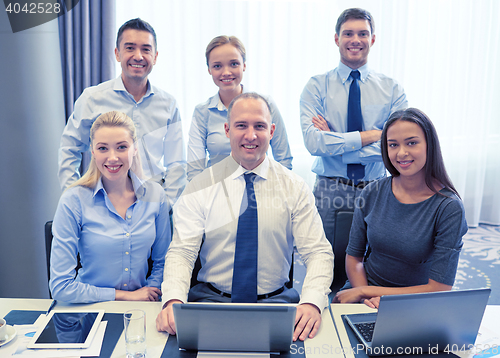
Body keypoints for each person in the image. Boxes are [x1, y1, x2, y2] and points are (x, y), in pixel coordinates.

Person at [156, 93, 333, 342]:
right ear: (227, 130)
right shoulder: (201, 186)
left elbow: (317, 253)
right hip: (211, 303)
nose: (251, 135)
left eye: (259, 126)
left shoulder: (294, 187)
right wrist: (173, 300)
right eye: (241, 126)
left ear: (271, 131)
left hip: (278, 307)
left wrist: (312, 303)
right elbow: (182, 252)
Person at [333, 108, 467, 308]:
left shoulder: (448, 207)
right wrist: (364, 297)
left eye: (411, 143)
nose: (401, 153)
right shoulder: (372, 192)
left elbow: (439, 287)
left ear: (429, 145)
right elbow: (354, 257)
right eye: (393, 145)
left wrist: (367, 292)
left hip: (414, 301)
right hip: (363, 289)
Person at [299, 8, 408, 245]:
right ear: (337, 39)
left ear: (373, 39)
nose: (355, 40)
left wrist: (336, 142)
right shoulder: (316, 86)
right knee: (325, 259)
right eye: (348, 33)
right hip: (330, 188)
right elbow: (314, 143)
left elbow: (398, 149)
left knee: (375, 262)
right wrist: (373, 135)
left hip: (377, 189)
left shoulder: (392, 89)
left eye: (363, 33)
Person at [58, 18, 185, 207]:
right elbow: (69, 149)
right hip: (102, 203)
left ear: (155, 56)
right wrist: (74, 199)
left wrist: (167, 205)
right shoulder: (92, 98)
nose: (138, 56)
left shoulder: (168, 104)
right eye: (130, 48)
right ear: (117, 54)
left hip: (151, 204)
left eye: (146, 49)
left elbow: (177, 163)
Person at [50, 111, 171, 303]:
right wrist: (124, 296)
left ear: (135, 149)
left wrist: (151, 291)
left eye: (121, 147)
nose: (112, 157)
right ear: (93, 152)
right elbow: (60, 287)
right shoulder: (73, 200)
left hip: (140, 309)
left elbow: (163, 261)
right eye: (103, 148)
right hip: (90, 308)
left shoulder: (156, 196)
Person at [187, 35, 292, 181]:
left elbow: (283, 159)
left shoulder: (266, 105)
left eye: (234, 64)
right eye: (217, 66)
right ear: (209, 69)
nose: (226, 72)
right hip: (217, 194)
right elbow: (195, 171)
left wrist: (279, 193)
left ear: (244, 65)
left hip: (262, 191)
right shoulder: (202, 112)